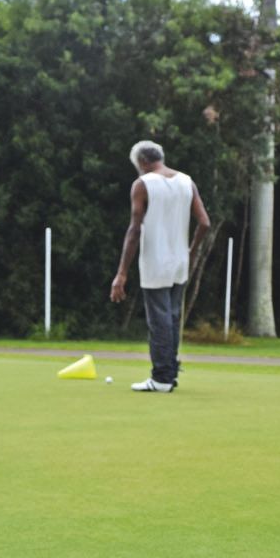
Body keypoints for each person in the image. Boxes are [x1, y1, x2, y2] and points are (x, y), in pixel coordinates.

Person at [109, 140, 210, 393]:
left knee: (160, 320)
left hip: (155, 261)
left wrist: (122, 272)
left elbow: (134, 230)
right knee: (173, 317)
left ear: (142, 162)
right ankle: (170, 373)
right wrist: (192, 250)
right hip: (180, 262)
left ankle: (162, 378)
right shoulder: (187, 181)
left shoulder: (143, 184)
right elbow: (205, 223)